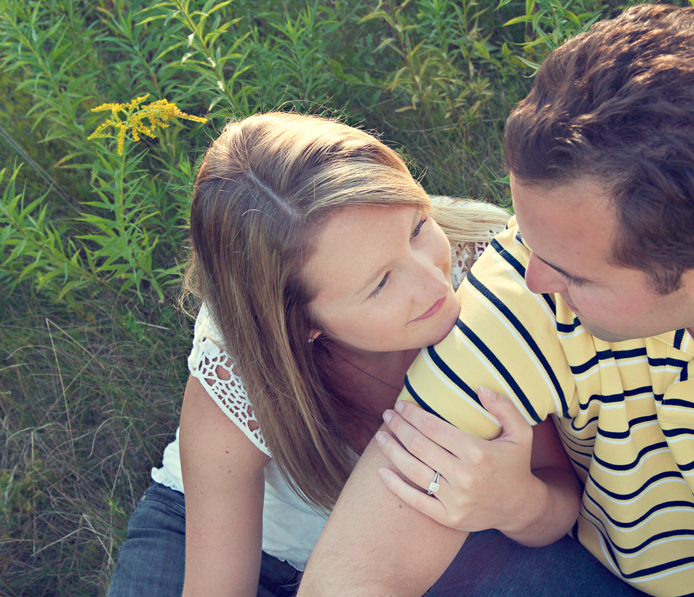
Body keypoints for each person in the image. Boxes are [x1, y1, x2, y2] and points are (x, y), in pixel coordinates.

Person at [298, 4, 694, 596]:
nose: (531, 279)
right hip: (589, 566)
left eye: (575, 275)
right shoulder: (528, 277)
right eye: (528, 240)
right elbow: (353, 572)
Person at [105, 112, 585, 597]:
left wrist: (517, 504)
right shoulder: (239, 372)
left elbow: (559, 496)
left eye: (418, 228)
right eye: (380, 284)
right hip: (230, 542)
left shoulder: (489, 275)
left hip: (414, 553)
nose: (433, 282)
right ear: (305, 324)